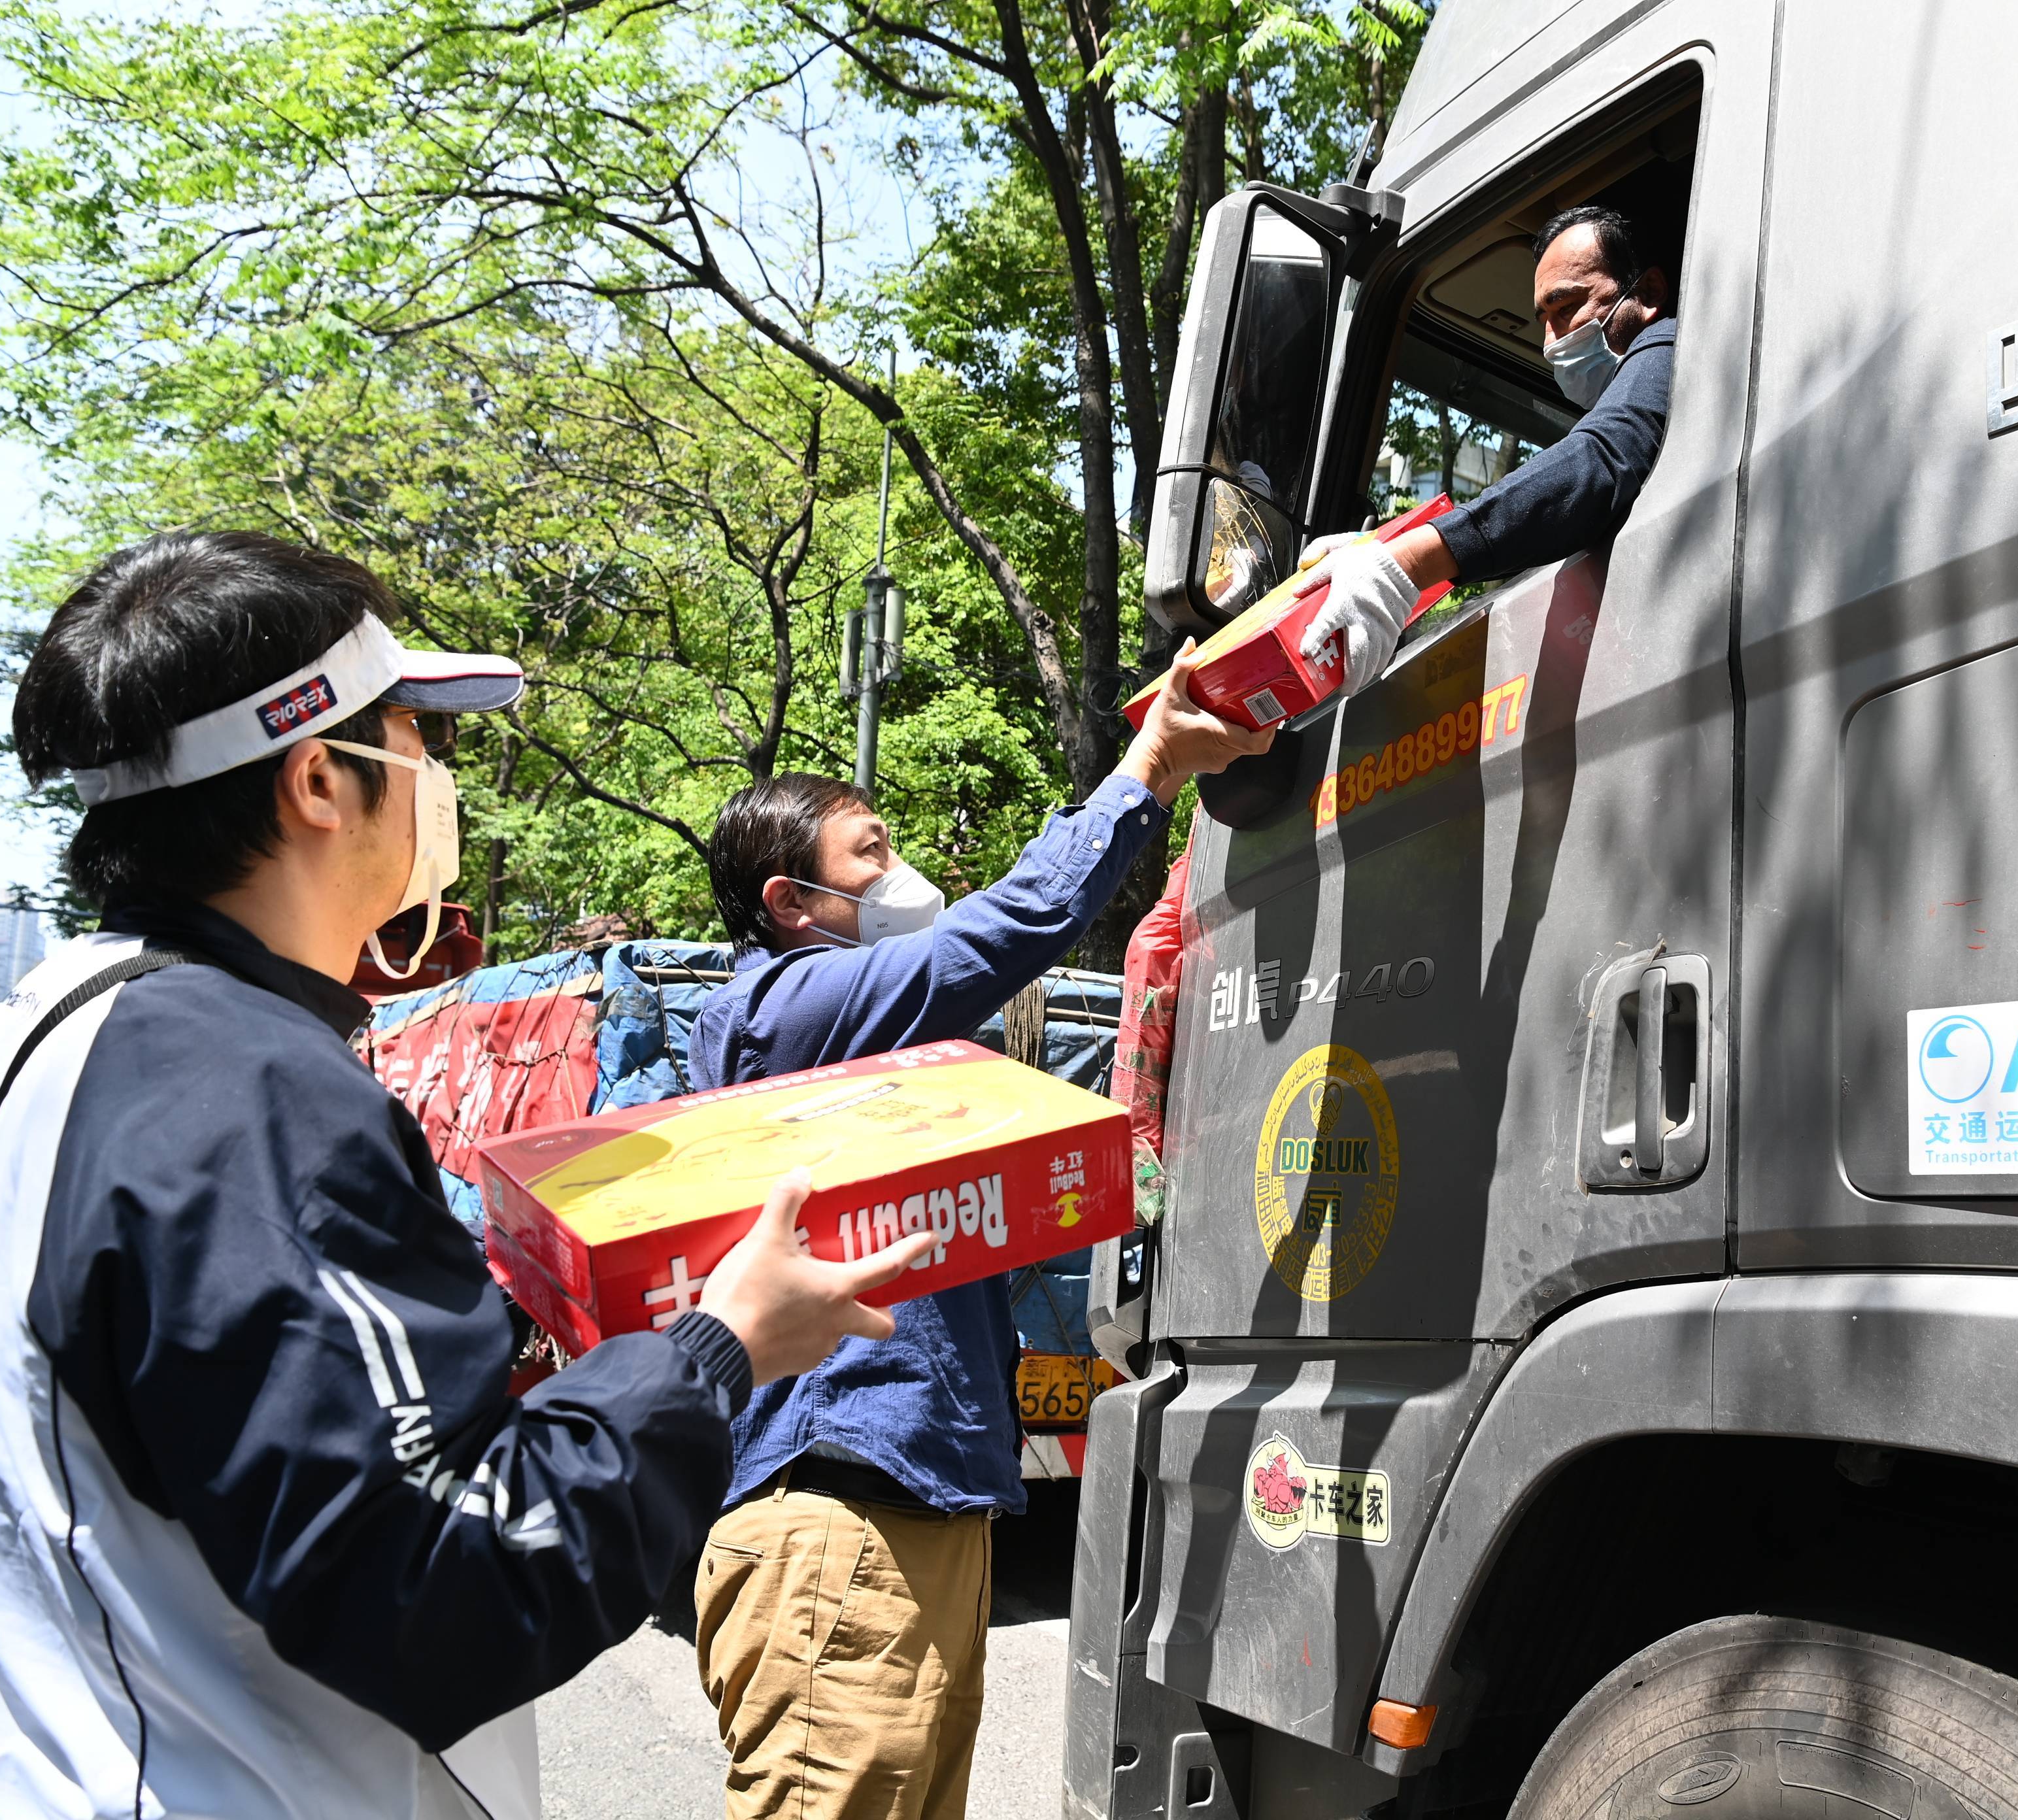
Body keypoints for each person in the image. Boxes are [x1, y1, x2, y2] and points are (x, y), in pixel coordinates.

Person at [0, 530, 935, 1820]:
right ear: (316, 779)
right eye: (422, 737)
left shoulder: (50, 1030)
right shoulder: (248, 1089)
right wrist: (717, 1348)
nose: (441, 778)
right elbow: (449, 1580)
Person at [688, 639, 1268, 1820]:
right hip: (840, 1512)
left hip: (919, 1511)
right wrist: (1149, 769)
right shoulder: (779, 1008)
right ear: (792, 904)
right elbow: (1002, 932)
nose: (901, 874)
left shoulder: (875, 1059)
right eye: (871, 854)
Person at [1300, 202, 1679, 690]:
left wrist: (1403, 563)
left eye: (1566, 308)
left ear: (1648, 293)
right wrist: (1384, 547)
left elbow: (1601, 460)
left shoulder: (1670, 344)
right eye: (1544, 319)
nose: (1550, 342)